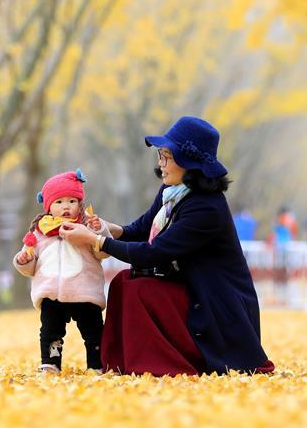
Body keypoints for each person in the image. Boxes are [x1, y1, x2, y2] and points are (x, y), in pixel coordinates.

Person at [61, 116, 274, 376]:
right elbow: (140, 229)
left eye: (166, 157)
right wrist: (106, 227)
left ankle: (157, 363)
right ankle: (121, 363)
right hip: (189, 286)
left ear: (189, 163)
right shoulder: (171, 191)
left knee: (140, 290)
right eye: (160, 156)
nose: (161, 164)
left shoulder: (206, 207)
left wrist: (95, 241)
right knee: (123, 282)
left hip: (215, 303)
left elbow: (154, 252)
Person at [13, 169, 112, 374]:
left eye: (71, 201)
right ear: (49, 207)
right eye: (59, 202)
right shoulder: (40, 232)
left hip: (84, 292)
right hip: (51, 294)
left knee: (93, 332)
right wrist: (24, 261)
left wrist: (99, 231)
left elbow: (103, 252)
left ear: (80, 204)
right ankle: (51, 364)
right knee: (50, 332)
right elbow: (31, 266)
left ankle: (97, 365)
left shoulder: (86, 227)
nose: (65, 206)